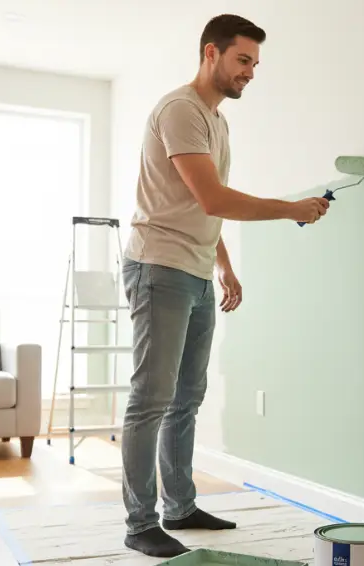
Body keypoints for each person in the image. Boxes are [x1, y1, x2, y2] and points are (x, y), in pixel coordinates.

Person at [119, 13, 330, 558]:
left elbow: (202, 206)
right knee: (151, 399)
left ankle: (180, 507)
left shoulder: (218, 121)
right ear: (211, 53)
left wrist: (224, 264)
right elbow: (213, 198)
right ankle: (140, 524)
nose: (251, 72)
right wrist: (290, 210)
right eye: (243, 60)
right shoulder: (180, 111)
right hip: (159, 267)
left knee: (188, 396)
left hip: (194, 269)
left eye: (256, 64)